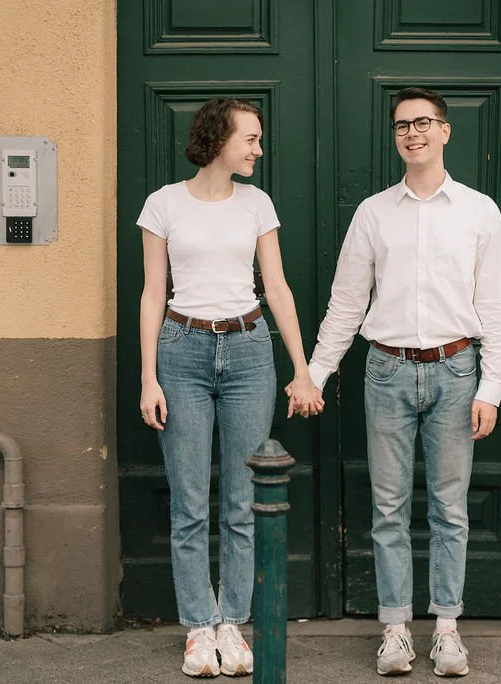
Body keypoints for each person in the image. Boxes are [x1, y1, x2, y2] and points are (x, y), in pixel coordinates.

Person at [304, 87, 501, 677]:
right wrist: (316, 373)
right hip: (387, 370)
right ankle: (395, 630)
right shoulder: (374, 213)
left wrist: (491, 387)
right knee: (389, 506)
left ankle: (447, 630)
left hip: (455, 371)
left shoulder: (479, 211)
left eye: (423, 122)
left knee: (450, 508)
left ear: (446, 131)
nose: (412, 133)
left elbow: (496, 306)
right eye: (401, 125)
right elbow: (346, 303)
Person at [137, 97, 324, 678]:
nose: (258, 150)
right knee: (190, 500)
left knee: (244, 502)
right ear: (220, 139)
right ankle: (198, 627)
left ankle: (233, 626)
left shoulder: (257, 203)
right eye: (250, 139)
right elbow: (151, 293)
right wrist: (148, 377)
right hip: (181, 350)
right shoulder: (163, 204)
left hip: (247, 351)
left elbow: (279, 287)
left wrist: (302, 367)